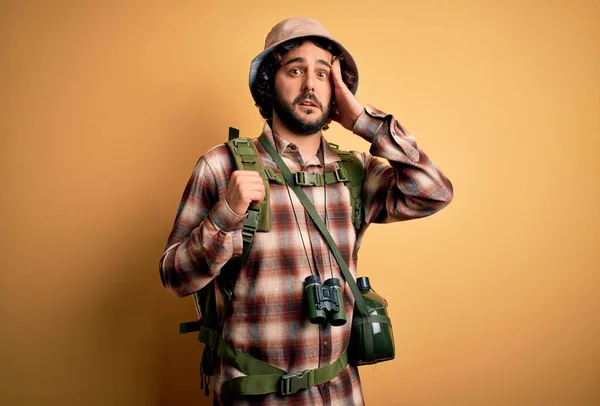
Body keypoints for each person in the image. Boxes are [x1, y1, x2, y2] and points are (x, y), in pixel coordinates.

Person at [160, 17, 453, 405]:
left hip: (341, 394)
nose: (310, 85)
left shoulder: (355, 172)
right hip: (254, 395)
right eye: (295, 69)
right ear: (269, 81)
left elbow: (433, 192)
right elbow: (175, 277)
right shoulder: (222, 166)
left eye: (323, 73)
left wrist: (364, 122)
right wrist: (226, 213)